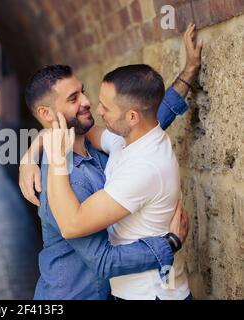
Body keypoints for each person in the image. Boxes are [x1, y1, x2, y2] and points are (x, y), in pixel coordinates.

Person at [20, 24, 202, 300]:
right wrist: (170, 243)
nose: (88, 102)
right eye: (73, 98)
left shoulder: (108, 148)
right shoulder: (59, 181)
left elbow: (148, 120)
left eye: (82, 91)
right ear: (47, 112)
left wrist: (188, 72)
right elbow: (103, 261)